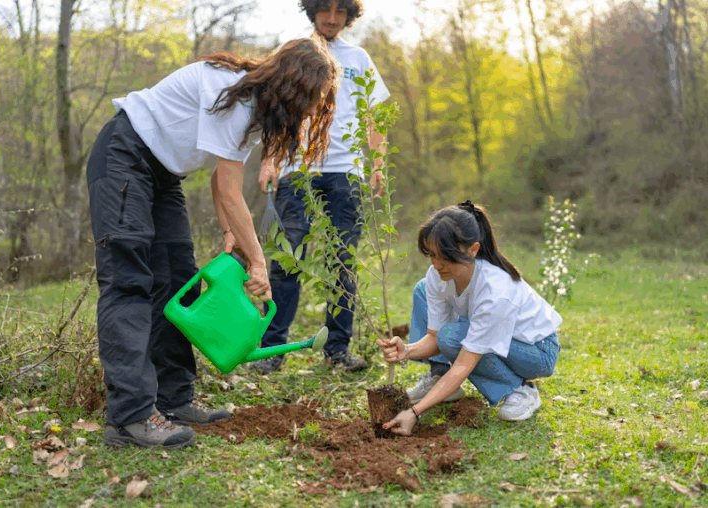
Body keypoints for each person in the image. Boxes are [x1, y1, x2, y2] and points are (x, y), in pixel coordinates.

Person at [86, 37, 341, 448]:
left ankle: (173, 399)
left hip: (163, 173)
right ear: (293, 88)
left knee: (177, 281)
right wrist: (257, 262)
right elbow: (228, 189)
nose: (314, 110)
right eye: (313, 99)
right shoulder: (235, 93)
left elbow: (221, 178)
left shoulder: (253, 108)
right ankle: (129, 417)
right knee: (128, 282)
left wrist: (229, 231)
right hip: (124, 156)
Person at [249, 0, 390, 374]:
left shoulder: (359, 58)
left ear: (349, 15)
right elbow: (276, 111)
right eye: (325, 9)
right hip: (297, 170)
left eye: (340, 11)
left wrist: (377, 164)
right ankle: (272, 348)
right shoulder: (294, 53)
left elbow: (374, 116)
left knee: (342, 260)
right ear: (312, 10)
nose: (331, 18)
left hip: (346, 172)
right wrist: (269, 160)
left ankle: (337, 349)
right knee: (287, 259)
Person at [376, 201, 562, 435]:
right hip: (505, 343)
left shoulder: (495, 290)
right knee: (428, 298)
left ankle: (519, 389)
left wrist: (414, 412)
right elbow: (434, 337)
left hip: (537, 351)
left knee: (453, 336)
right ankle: (440, 378)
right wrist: (407, 351)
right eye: (432, 255)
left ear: (473, 250)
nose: (437, 264)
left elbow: (464, 363)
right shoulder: (437, 276)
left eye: (446, 256)